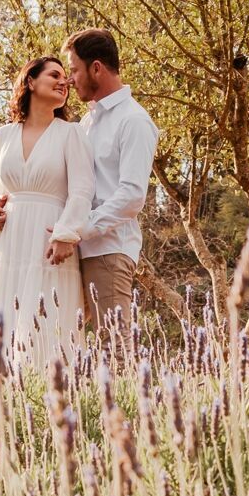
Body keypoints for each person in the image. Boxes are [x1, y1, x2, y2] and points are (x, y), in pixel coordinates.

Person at [0, 55, 93, 369]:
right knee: (3, 327)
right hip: (8, 246)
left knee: (48, 327)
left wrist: (67, 234)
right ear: (30, 81)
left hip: (49, 244)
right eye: (54, 75)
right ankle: (3, 406)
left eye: (65, 77)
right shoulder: (0, 138)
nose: (63, 82)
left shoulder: (71, 134)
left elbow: (82, 191)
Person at [62, 28, 159, 338]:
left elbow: (132, 195)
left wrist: (80, 228)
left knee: (114, 349)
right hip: (77, 251)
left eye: (74, 69)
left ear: (96, 68)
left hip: (108, 251)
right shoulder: (87, 122)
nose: (70, 79)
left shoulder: (134, 121)